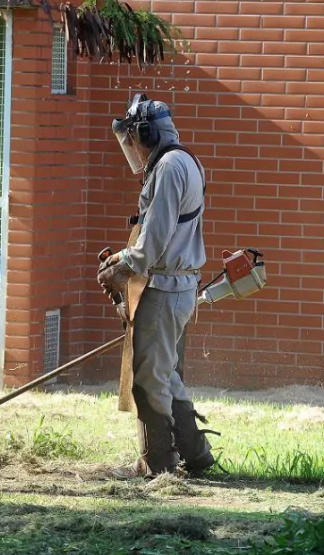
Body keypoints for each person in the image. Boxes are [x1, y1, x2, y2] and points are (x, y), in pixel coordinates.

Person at [97, 94, 216, 478]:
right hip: (176, 285)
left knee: (148, 382)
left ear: (147, 133)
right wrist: (124, 258)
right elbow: (161, 232)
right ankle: (196, 456)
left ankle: (158, 465)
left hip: (164, 289)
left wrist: (125, 265)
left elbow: (158, 234)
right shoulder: (186, 161)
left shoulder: (167, 167)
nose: (133, 147)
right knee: (167, 376)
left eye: (134, 138)